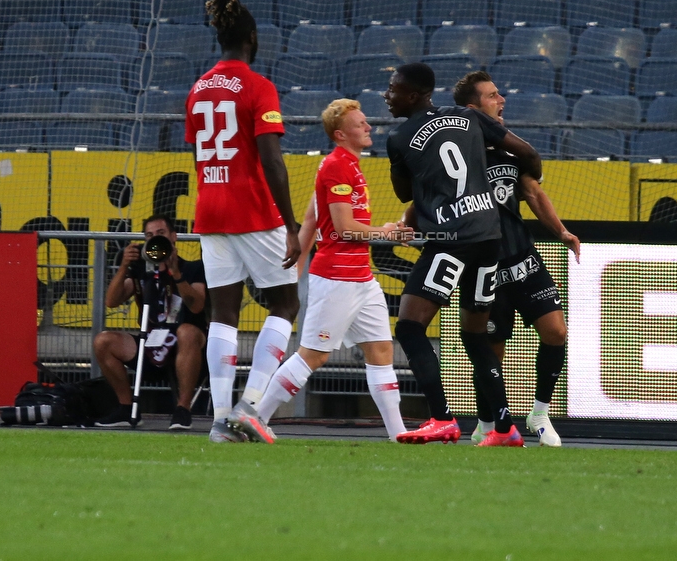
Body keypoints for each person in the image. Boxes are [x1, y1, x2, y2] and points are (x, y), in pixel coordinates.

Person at [230, 99, 411, 443]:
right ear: (341, 134)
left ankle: (398, 434)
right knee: (314, 355)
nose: (368, 127)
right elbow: (343, 228)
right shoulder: (336, 167)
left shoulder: (349, 166)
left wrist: (296, 268)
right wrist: (386, 233)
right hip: (338, 278)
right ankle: (255, 418)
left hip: (361, 277)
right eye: (360, 124)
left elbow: (313, 219)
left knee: (381, 350)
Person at [385, 62, 543, 447]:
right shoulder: (467, 116)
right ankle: (505, 428)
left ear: (413, 94)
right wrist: (531, 179)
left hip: (451, 235)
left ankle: (441, 418)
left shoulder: (400, 136)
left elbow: (404, 195)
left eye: (393, 89)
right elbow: (526, 153)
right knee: (475, 335)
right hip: (489, 235)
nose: (387, 96)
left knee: (409, 326)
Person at [185, 0, 301, 444]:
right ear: (252, 38)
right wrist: (291, 226)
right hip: (252, 208)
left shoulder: (197, 88)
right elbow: (272, 160)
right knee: (284, 304)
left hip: (209, 210)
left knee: (223, 314)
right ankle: (250, 407)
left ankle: (217, 420)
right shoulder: (258, 86)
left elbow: (197, 152)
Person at [452, 71, 580, 447]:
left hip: (523, 258)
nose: (502, 99)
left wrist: (561, 232)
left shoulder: (510, 150)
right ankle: (487, 422)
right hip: (483, 268)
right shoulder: (457, 154)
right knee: (491, 351)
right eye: (493, 95)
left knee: (556, 331)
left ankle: (539, 413)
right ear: (473, 108)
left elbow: (533, 192)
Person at [93, 215, 208, 430]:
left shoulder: (193, 268)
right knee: (103, 341)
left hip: (188, 348)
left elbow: (196, 305)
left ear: (174, 237)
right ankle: (127, 409)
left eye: (161, 234)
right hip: (151, 343)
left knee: (187, 331)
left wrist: (176, 273)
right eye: (149, 236)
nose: (155, 239)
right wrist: (124, 265)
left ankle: (183, 409)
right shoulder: (143, 272)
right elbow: (111, 301)